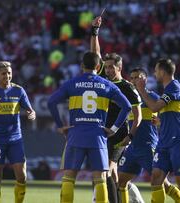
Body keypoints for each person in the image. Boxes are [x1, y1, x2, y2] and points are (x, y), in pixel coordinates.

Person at [47, 52, 132, 203]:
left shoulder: (71, 83)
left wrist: (61, 126)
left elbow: (51, 102)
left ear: (81, 66)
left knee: (69, 178)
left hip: (76, 134)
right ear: (98, 67)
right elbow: (127, 107)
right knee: (100, 179)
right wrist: (113, 128)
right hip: (98, 136)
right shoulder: (108, 85)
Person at [135, 59, 180, 203]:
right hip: (164, 143)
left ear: (162, 71)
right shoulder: (168, 90)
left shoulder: (175, 87)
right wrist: (161, 122)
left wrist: (141, 90)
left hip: (178, 142)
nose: (155, 73)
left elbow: (154, 107)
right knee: (156, 178)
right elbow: (174, 114)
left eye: (156, 70)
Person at [91, 16, 142, 203]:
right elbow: (95, 53)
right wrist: (95, 31)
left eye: (112, 67)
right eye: (107, 67)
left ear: (120, 67)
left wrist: (131, 136)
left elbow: (138, 116)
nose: (109, 70)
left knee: (109, 168)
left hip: (120, 134)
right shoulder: (104, 79)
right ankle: (131, 196)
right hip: (102, 132)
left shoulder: (128, 88)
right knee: (106, 171)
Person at [118, 68, 180, 203]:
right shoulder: (127, 99)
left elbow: (170, 116)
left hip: (149, 147)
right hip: (132, 149)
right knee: (121, 181)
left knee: (163, 185)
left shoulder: (153, 97)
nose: (134, 80)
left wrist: (160, 122)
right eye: (132, 78)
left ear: (145, 79)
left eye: (137, 77)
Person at [0, 61, 36, 203]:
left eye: (9, 73)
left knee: (22, 176)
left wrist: (31, 114)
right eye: (4, 73)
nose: (7, 76)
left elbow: (30, 110)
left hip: (15, 139)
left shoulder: (19, 90)